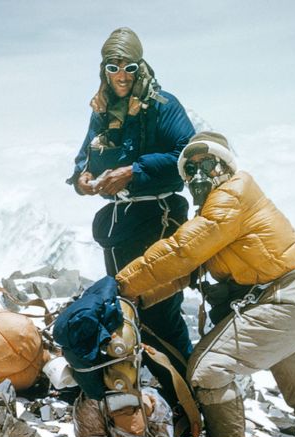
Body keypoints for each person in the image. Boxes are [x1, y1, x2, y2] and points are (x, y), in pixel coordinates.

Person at [116, 132, 295, 437]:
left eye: (208, 163)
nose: (200, 174)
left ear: (226, 166)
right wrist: (137, 296)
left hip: (281, 303)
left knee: (208, 370)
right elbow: (186, 271)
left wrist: (119, 285)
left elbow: (181, 251)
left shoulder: (231, 195)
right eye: (192, 168)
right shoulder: (222, 208)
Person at [66, 27, 195, 403]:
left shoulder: (163, 106)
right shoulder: (101, 109)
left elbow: (187, 155)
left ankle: (189, 405)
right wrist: (83, 180)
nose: (121, 75)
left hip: (159, 218)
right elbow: (83, 161)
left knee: (159, 312)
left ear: (141, 68)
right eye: (113, 67)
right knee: (126, 307)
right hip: (121, 227)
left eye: (129, 67)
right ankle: (152, 401)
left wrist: (134, 171)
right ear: (104, 70)